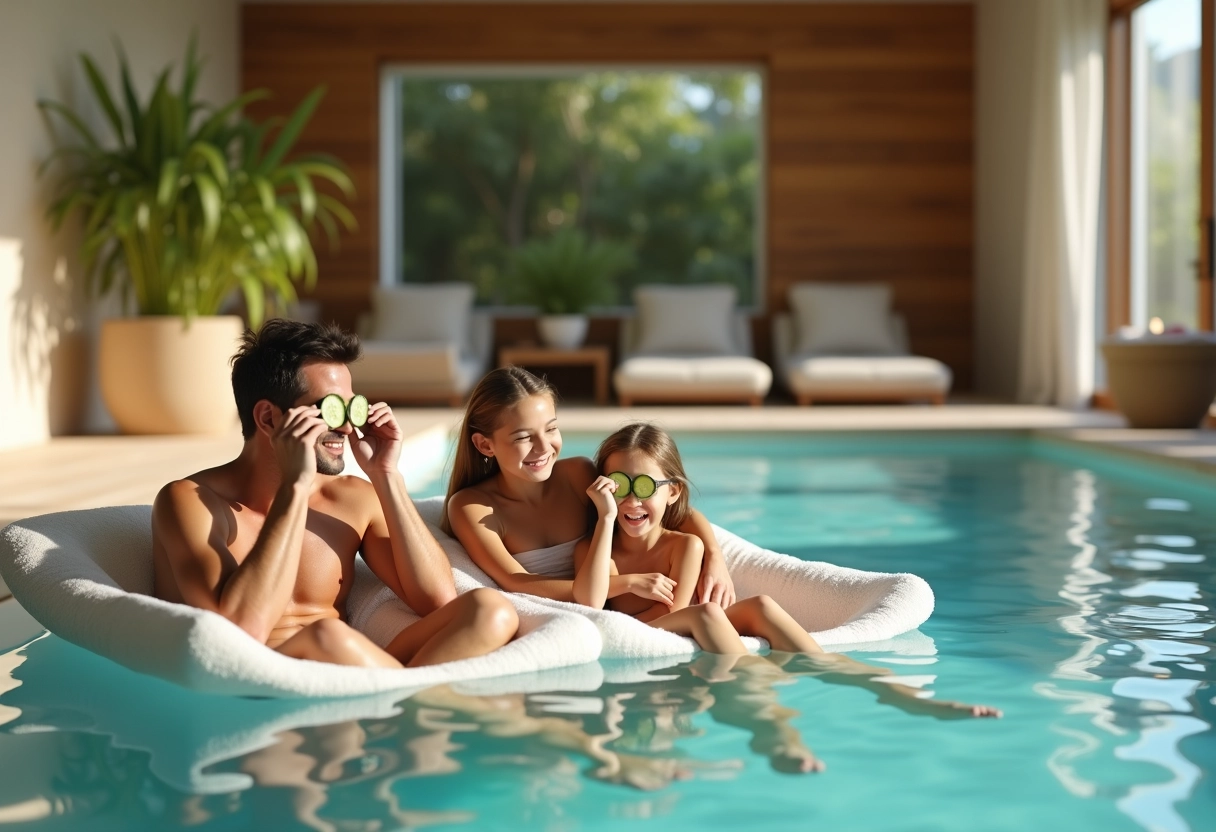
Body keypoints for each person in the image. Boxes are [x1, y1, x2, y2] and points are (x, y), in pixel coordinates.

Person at [151, 320, 518, 669]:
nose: (346, 425)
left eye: (350, 406)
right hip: (257, 686)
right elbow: (241, 633)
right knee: (326, 635)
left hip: (353, 674)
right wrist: (294, 487)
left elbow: (437, 601)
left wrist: (385, 475)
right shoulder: (190, 502)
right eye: (329, 408)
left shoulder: (351, 500)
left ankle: (402, 702)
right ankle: (407, 703)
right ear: (268, 419)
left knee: (489, 609)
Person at [575, 423, 1002, 720]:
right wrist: (607, 522)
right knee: (707, 615)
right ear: (602, 488)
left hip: (676, 623)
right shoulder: (592, 548)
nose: (631, 501)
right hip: (652, 641)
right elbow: (593, 604)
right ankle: (761, 695)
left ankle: (894, 692)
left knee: (760, 605)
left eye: (645, 487)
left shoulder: (686, 545)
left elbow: (676, 607)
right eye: (618, 485)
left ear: (673, 493)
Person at [443, 367, 736, 607]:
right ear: (485, 444)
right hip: (561, 611)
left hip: (611, 606)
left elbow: (664, 506)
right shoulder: (472, 506)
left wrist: (714, 556)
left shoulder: (576, 475)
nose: (544, 447)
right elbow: (515, 582)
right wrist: (621, 583)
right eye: (523, 437)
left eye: (551, 428)